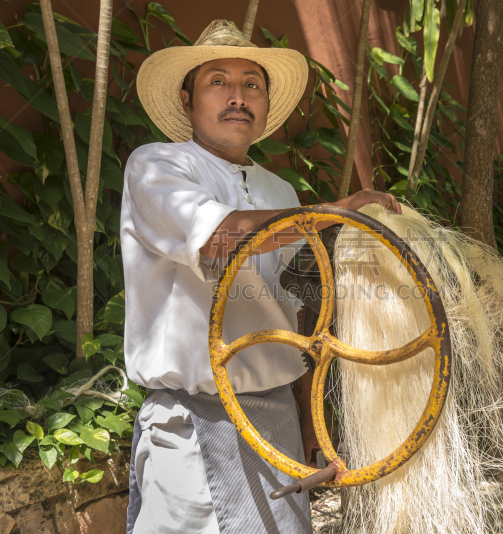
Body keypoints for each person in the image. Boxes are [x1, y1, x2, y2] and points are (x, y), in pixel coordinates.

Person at [122, 19, 400, 534]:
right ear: (186, 100)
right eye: (218, 82)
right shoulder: (157, 167)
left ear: (266, 103)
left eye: (252, 84)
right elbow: (221, 239)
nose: (238, 96)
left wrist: (310, 412)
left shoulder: (281, 193)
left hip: (275, 421)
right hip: (194, 418)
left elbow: (290, 312)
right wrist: (338, 209)